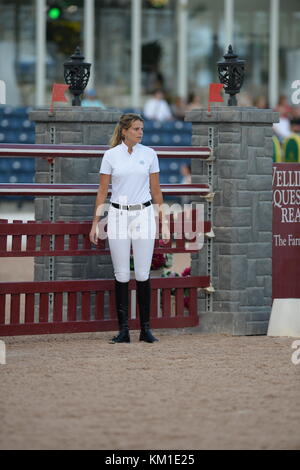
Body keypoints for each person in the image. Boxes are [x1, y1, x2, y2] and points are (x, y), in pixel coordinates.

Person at [89, 113, 170, 344]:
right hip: (117, 214)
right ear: (124, 131)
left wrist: (163, 220)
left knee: (143, 273)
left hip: (143, 214)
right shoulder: (110, 155)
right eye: (136, 128)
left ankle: (145, 329)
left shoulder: (150, 154)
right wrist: (95, 222)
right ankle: (123, 330)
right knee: (122, 273)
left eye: (141, 129)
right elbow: (102, 191)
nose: (140, 132)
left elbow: (156, 191)